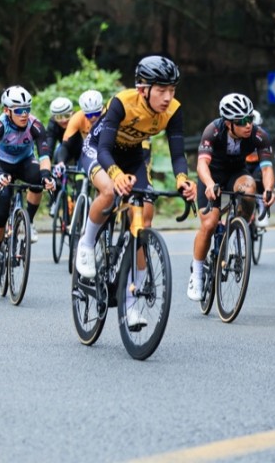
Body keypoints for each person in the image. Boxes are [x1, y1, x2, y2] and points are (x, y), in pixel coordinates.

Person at [75, 55, 196, 328]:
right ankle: (86, 243)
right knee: (108, 191)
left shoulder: (173, 110)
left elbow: (178, 154)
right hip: (99, 150)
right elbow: (104, 149)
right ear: (144, 89)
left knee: (144, 216)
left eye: (172, 89)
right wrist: (116, 176)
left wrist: (182, 180)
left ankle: (132, 305)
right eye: (162, 90)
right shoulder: (123, 102)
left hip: (134, 155)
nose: (168, 96)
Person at [187, 93, 275, 301]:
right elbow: (201, 165)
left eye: (250, 119)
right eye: (242, 121)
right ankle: (197, 273)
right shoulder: (213, 130)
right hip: (212, 175)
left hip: (237, 173)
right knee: (209, 224)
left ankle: (238, 226)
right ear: (228, 123)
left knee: (250, 188)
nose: (248, 125)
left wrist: (269, 189)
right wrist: (209, 185)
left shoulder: (258, 134)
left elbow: (267, 168)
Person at [0, 85, 56, 284]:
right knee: (0, 214)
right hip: (2, 166)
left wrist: (47, 175)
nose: (24, 115)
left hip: (24, 163)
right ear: (7, 111)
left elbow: (44, 156)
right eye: (19, 111)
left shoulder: (35, 125)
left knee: (39, 179)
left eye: (27, 109)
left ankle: (29, 221)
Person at [45, 96, 73, 213]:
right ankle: (55, 198)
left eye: (66, 116)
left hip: (77, 148)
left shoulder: (77, 119)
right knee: (57, 156)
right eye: (58, 117)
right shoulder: (52, 124)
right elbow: (49, 145)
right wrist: (46, 164)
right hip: (62, 149)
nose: (63, 120)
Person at [244, 109, 271, 228]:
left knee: (259, 178)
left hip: (258, 164)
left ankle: (261, 204)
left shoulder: (263, 135)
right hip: (244, 163)